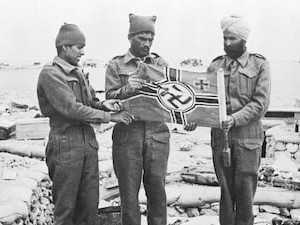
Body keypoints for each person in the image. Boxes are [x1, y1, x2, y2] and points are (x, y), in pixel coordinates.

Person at [37, 23, 134, 225]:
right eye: (79, 46)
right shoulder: (50, 74)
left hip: (87, 143)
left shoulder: (78, 72)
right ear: (64, 47)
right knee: (66, 210)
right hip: (65, 144)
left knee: (89, 208)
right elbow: (72, 109)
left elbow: (89, 102)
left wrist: (104, 105)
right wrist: (111, 117)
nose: (83, 51)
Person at [105, 14, 195, 225]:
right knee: (128, 194)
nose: (146, 44)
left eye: (150, 39)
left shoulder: (160, 64)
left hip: (158, 135)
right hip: (127, 136)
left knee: (157, 191)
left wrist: (187, 118)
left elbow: (175, 96)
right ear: (130, 37)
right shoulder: (115, 65)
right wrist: (128, 89)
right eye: (141, 39)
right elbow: (109, 98)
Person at [207, 15, 271, 225]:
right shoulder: (215, 65)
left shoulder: (259, 64)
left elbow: (260, 104)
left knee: (245, 194)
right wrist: (192, 118)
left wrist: (234, 119)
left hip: (248, 139)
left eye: (232, 39)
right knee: (225, 194)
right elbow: (205, 100)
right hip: (220, 139)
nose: (227, 43)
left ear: (244, 39)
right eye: (224, 38)